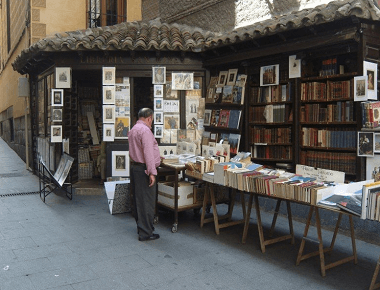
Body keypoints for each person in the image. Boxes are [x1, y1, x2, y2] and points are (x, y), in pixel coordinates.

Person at [128, 108, 161, 241]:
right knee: (147, 201)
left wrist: (158, 157)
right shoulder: (146, 131)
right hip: (144, 170)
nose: (151, 123)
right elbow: (147, 152)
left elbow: (141, 151)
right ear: (149, 118)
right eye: (152, 120)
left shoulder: (133, 129)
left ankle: (141, 227)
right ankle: (146, 233)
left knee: (138, 201)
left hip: (135, 168)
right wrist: (152, 173)